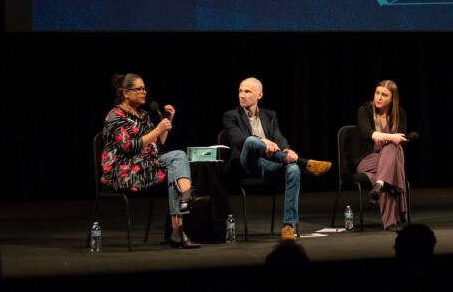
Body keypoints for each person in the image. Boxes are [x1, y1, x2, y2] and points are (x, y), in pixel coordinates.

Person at [102, 73, 209, 248]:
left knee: (178, 159)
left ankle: (183, 206)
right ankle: (181, 219)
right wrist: (159, 129)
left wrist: (166, 121)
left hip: (144, 165)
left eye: (144, 88)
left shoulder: (142, 115)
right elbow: (132, 147)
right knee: (176, 167)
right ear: (125, 93)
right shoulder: (115, 117)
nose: (144, 92)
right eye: (139, 89)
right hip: (123, 171)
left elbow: (157, 145)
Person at [223, 77, 333, 242]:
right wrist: (262, 141)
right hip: (246, 164)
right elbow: (238, 140)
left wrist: (288, 151)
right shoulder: (231, 115)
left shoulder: (269, 115)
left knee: (293, 170)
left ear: (259, 95)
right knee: (252, 141)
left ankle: (288, 225)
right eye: (240, 91)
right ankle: (306, 163)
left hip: (269, 163)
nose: (242, 95)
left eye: (247, 91)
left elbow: (279, 138)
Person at [353, 79, 410, 231]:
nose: (379, 97)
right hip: (365, 160)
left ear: (393, 99)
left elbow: (402, 139)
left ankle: (379, 185)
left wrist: (391, 140)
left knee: (391, 152)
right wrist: (391, 137)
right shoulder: (365, 110)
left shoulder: (400, 114)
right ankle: (396, 218)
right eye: (377, 93)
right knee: (393, 150)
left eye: (384, 95)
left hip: (384, 164)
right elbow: (367, 133)